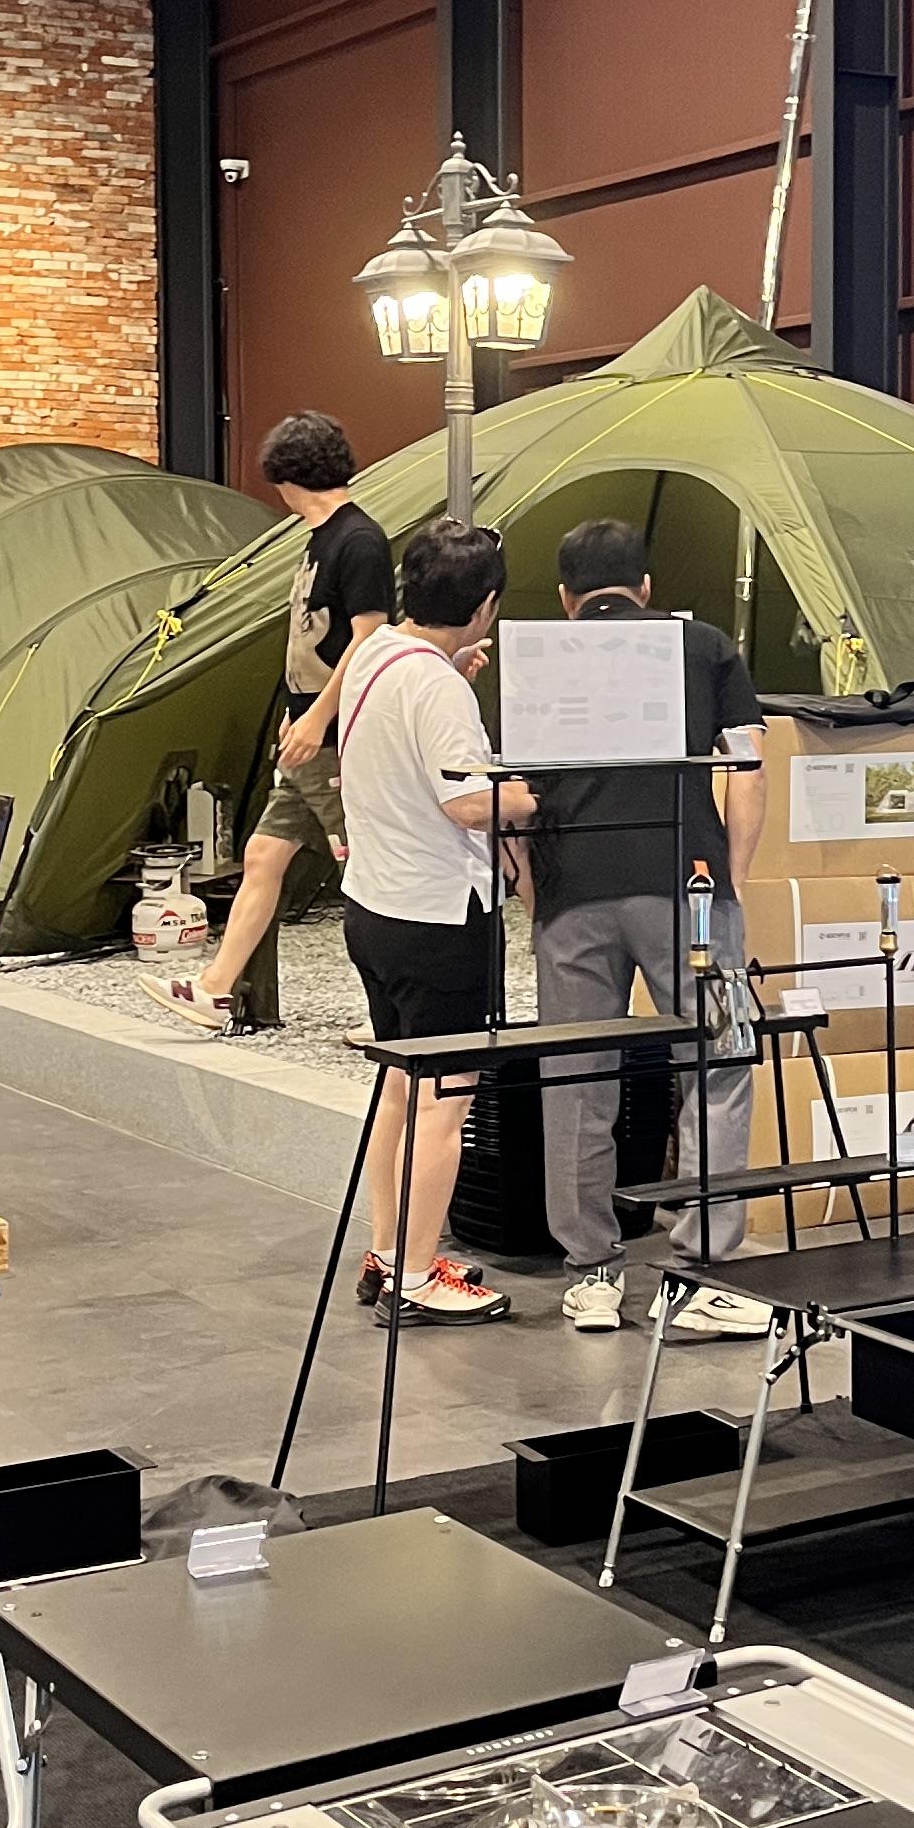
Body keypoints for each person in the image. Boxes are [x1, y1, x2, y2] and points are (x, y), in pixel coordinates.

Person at [527, 516, 771, 1340]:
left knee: (576, 1082)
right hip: (691, 889)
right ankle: (702, 1274)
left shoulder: (543, 657)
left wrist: (534, 895)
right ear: (646, 587)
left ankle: (592, 1275)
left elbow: (516, 796)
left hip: (571, 895)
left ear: (567, 598)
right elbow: (747, 770)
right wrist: (731, 881)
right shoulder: (705, 646)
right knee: (721, 1062)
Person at [332, 518, 534, 1324]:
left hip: (375, 906)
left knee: (400, 1086)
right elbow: (467, 803)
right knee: (446, 1102)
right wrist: (532, 794)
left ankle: (388, 1253)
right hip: (439, 917)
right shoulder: (441, 688)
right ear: (485, 606)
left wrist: (451, 667)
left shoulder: (377, 653)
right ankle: (419, 1275)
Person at [137, 408, 391, 1034]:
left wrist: (317, 718)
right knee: (263, 854)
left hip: (335, 738)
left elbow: (369, 638)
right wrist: (294, 713)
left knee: (364, 871)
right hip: (307, 731)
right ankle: (214, 988)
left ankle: (393, 1015)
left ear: (285, 477)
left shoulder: (359, 540)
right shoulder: (321, 539)